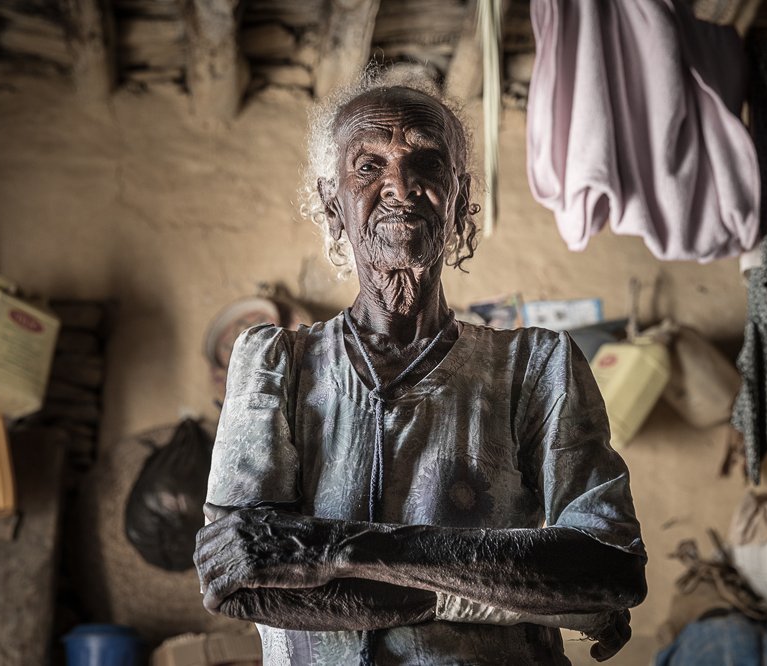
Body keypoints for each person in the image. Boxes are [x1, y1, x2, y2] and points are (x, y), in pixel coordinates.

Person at [194, 75, 647, 665]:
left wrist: (336, 547)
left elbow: (609, 569)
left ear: (457, 203)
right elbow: (241, 580)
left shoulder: (536, 366)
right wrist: (501, 594)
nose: (400, 186)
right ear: (334, 206)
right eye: (368, 166)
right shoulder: (276, 365)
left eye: (427, 163)